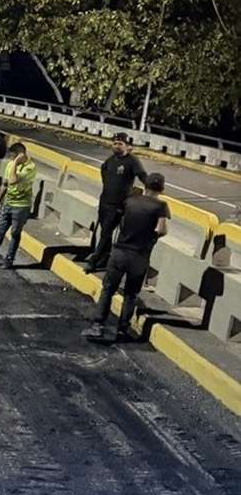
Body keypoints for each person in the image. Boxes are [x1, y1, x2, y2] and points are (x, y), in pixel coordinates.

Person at [83, 173, 170, 341]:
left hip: (120, 252)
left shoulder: (130, 200)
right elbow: (161, 230)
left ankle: (97, 326)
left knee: (108, 289)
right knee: (131, 294)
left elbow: (115, 220)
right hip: (139, 256)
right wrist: (150, 238)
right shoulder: (161, 206)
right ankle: (122, 330)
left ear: (145, 186)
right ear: (162, 189)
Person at [85, 132, 148, 272]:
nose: (117, 146)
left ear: (127, 146)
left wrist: (151, 188)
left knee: (106, 232)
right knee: (103, 231)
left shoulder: (132, 161)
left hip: (118, 205)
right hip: (105, 201)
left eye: (120, 144)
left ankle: (93, 261)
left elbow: (142, 175)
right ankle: (104, 258)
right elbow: (104, 171)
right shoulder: (111, 160)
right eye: (114, 143)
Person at [0, 142, 37, 269]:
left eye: (14, 156)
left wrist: (16, 162)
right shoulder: (10, 165)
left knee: (15, 233)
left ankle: (9, 259)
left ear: (20, 155)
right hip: (8, 203)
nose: (11, 159)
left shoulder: (30, 167)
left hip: (21, 206)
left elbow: (13, 180)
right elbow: (5, 184)